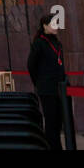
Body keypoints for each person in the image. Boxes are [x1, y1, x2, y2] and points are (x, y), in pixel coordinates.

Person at [27, 13, 67, 149]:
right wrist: (38, 83)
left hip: (60, 88)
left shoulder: (57, 42)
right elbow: (31, 65)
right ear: (45, 26)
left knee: (59, 122)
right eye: (53, 24)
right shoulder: (39, 43)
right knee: (51, 123)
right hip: (47, 89)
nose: (56, 27)